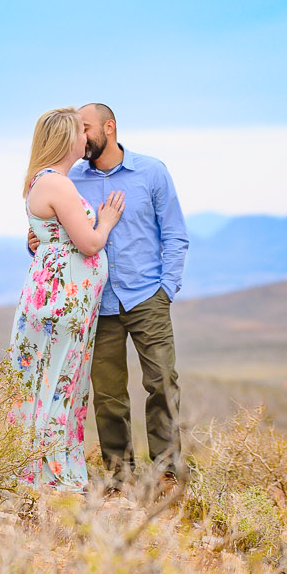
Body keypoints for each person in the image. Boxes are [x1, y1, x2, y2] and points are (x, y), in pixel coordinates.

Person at [69, 102, 189, 483]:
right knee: (107, 395)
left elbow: (174, 233)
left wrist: (166, 289)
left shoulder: (151, 172)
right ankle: (120, 477)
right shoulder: (72, 180)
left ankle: (168, 472)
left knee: (161, 382)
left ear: (110, 126)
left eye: (85, 128)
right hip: (98, 301)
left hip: (146, 296)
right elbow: (58, 234)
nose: (80, 137)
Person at [10, 107, 125, 493]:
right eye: (81, 131)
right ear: (67, 139)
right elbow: (88, 242)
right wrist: (106, 220)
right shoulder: (57, 184)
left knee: (51, 381)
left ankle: (41, 467)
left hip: (60, 299)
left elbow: (48, 239)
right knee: (58, 382)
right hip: (63, 303)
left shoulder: (48, 182)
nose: (85, 138)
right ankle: (52, 474)